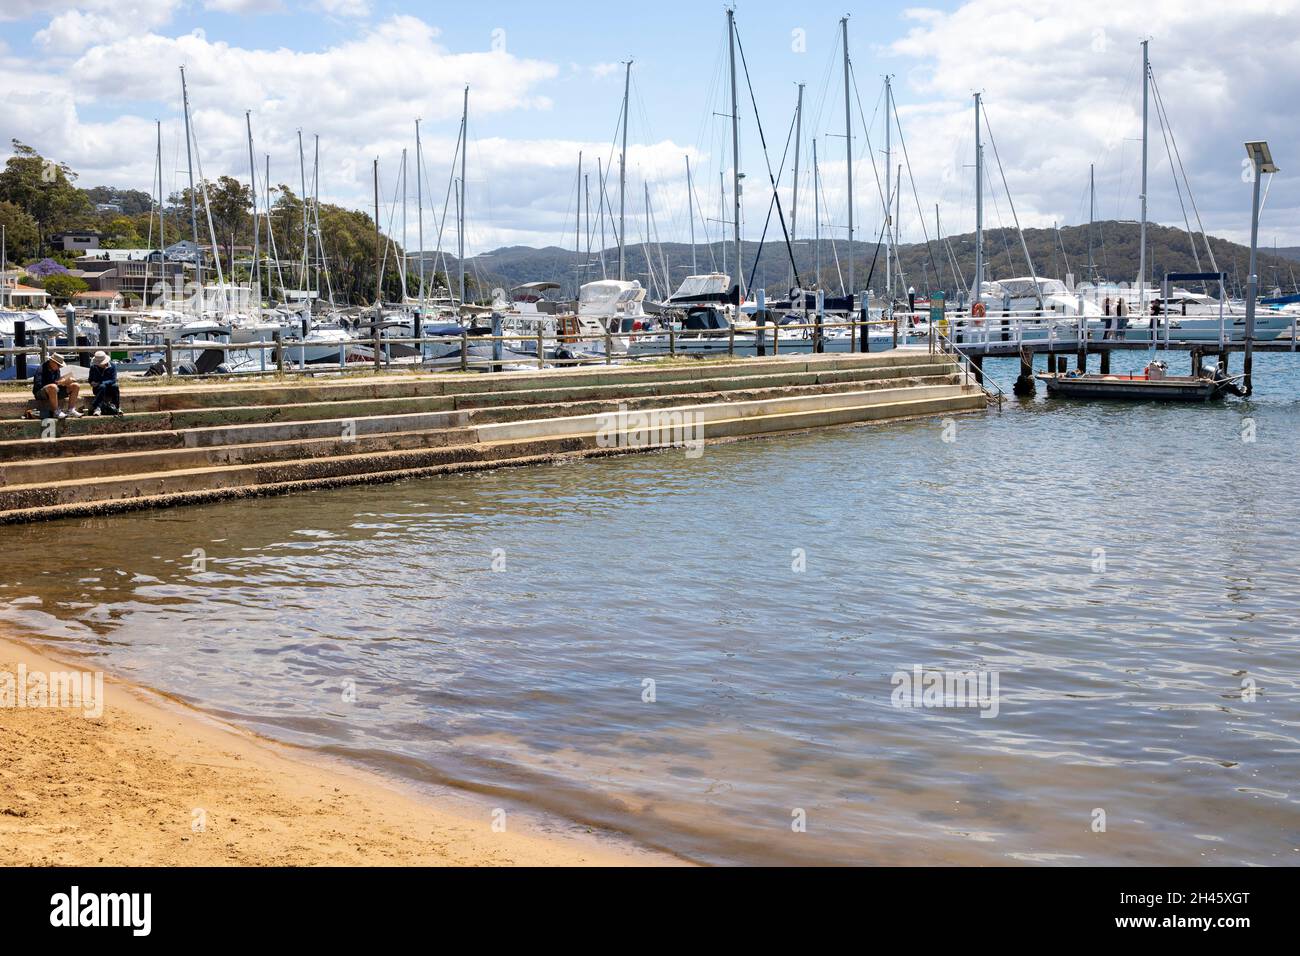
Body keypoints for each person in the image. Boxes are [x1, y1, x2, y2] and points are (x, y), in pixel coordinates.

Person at [31, 353, 81, 420]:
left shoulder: (56, 370)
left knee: (76, 386)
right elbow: (38, 385)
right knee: (53, 387)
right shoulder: (41, 369)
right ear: (52, 362)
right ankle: (56, 411)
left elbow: (57, 382)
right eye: (58, 365)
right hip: (40, 393)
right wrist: (56, 383)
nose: (59, 367)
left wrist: (64, 382)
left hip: (54, 391)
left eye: (60, 365)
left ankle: (71, 410)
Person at [87, 350, 122, 416]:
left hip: (109, 387)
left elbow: (113, 379)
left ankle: (116, 406)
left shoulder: (113, 366)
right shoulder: (93, 367)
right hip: (98, 389)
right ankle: (97, 407)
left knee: (115, 386)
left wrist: (101, 383)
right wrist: (92, 383)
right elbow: (90, 379)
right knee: (102, 386)